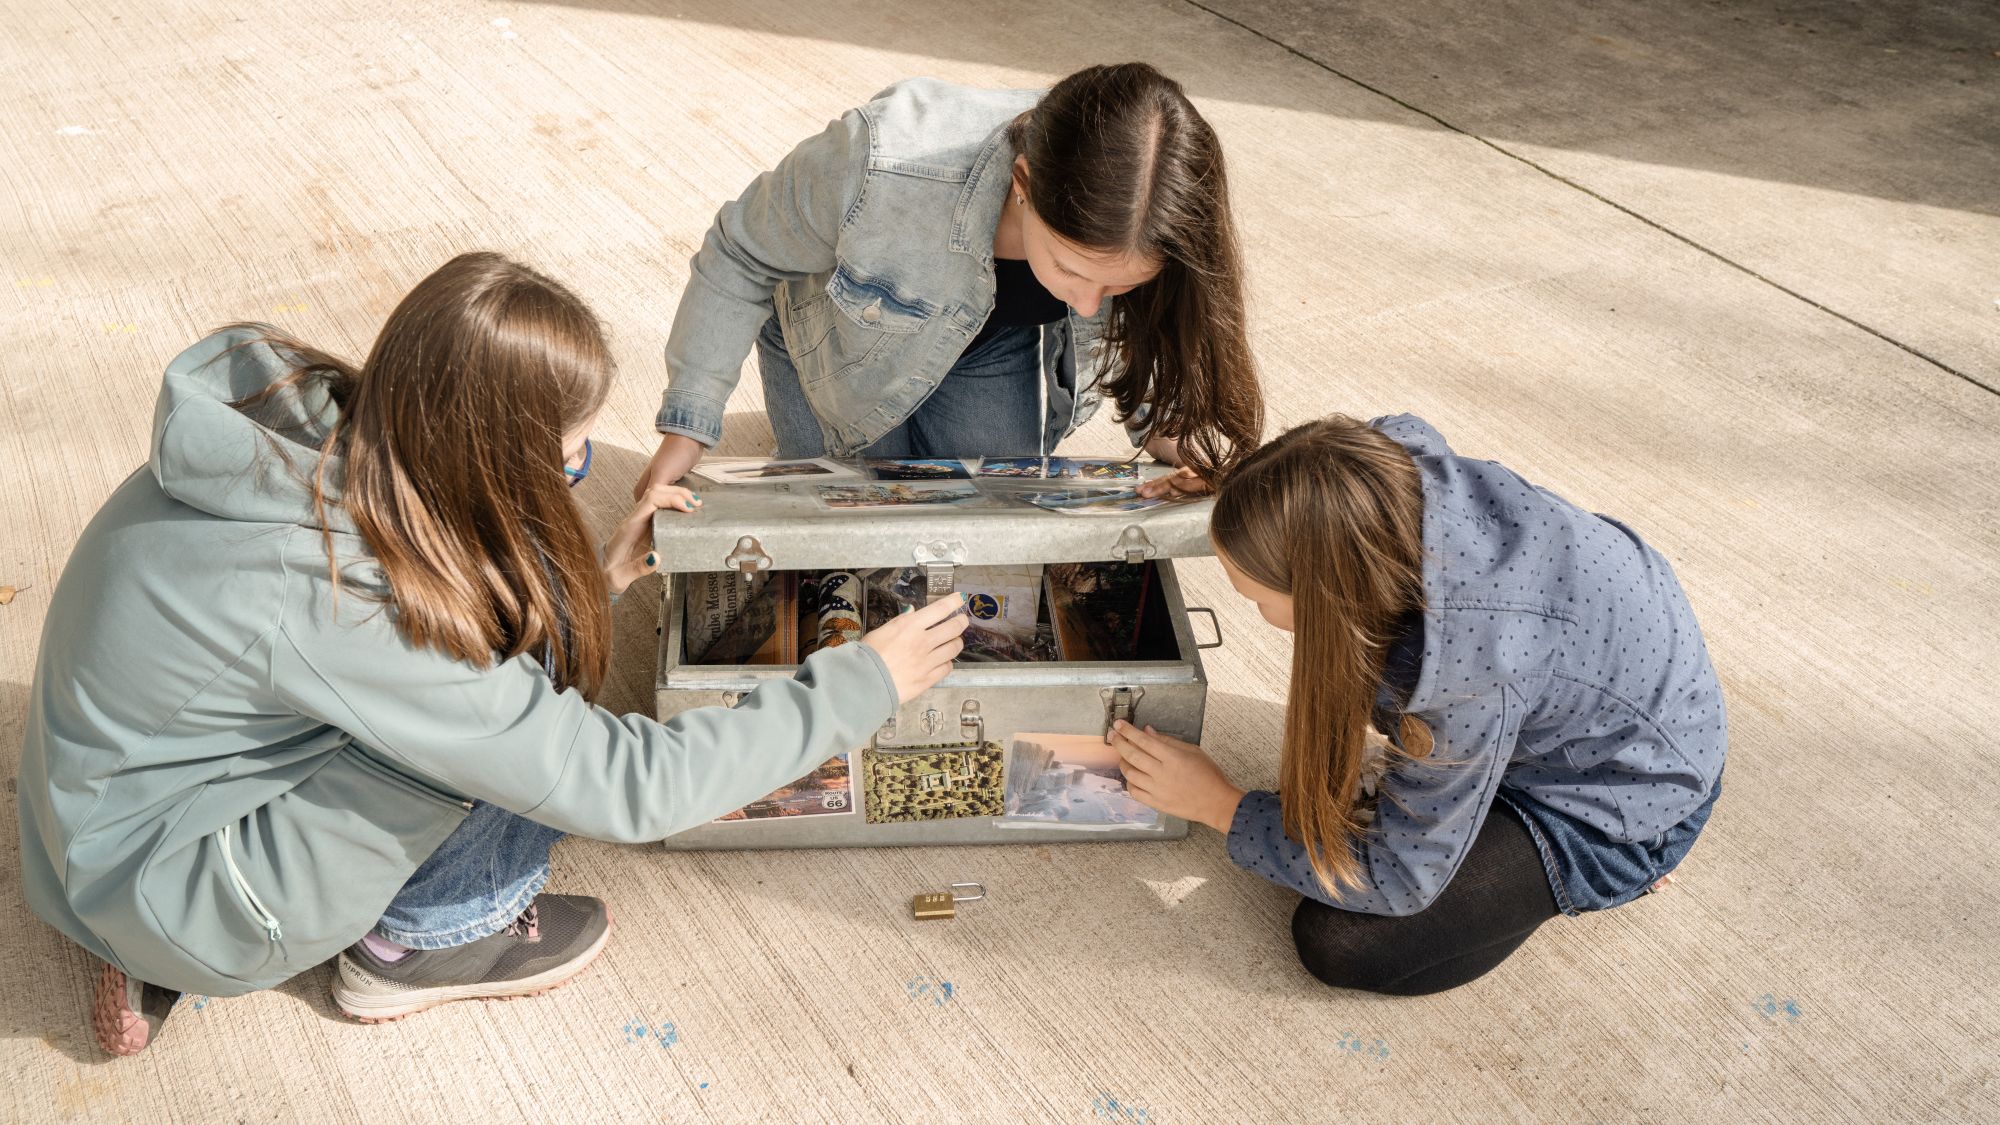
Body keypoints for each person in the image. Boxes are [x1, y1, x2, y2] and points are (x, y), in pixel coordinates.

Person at [17, 252, 968, 1056]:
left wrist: (599, 576)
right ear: (487, 455)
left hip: (98, 811)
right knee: (512, 704)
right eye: (570, 460)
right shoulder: (357, 607)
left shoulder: (306, 429)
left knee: (520, 631)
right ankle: (427, 941)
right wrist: (862, 681)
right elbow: (622, 783)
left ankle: (141, 925)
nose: (577, 475)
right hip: (170, 889)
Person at [1111, 414, 1726, 994]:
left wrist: (1221, 805)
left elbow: (1401, 878)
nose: (1261, 614)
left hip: (1616, 797)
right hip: (1594, 702)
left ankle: (1636, 867)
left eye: (1259, 599)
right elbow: (1349, 455)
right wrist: (1255, 487)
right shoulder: (1395, 468)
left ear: (1329, 594)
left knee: (1341, 942)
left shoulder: (1466, 672)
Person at [636, 62, 1264, 501]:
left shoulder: (1150, 210)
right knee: (855, 520)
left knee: (993, 515)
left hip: (994, 347)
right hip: (835, 339)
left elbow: (1156, 337)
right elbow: (740, 252)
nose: (1087, 301)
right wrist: (686, 433)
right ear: (1024, 184)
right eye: (1071, 269)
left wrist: (1181, 437)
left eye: (1121, 286)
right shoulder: (881, 157)